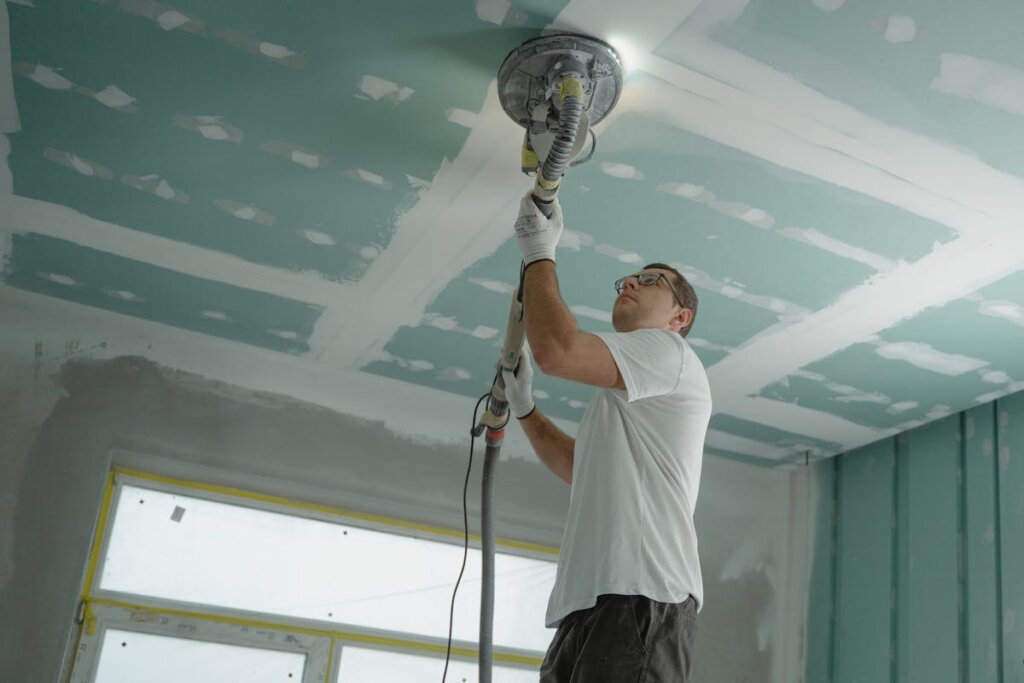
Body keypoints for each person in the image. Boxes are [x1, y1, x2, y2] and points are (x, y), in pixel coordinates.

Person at [502, 192, 713, 682]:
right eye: (629, 279)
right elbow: (581, 469)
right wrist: (525, 409)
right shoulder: (622, 399)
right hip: (591, 603)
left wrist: (539, 254)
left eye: (652, 281)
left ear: (679, 319)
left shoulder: (669, 353)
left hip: (642, 594)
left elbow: (558, 351)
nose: (633, 283)